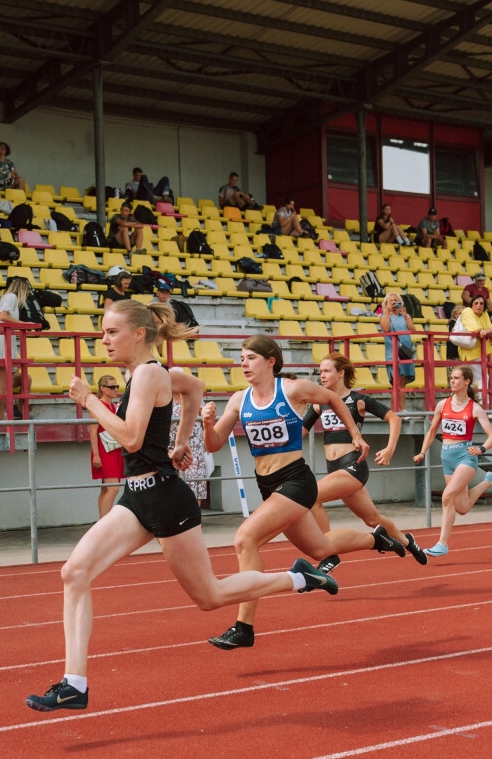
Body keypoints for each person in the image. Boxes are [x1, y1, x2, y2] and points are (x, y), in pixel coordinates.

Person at [26, 304, 339, 712]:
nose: (103, 339)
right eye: (103, 332)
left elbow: (132, 438)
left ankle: (298, 578)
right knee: (75, 572)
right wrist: (181, 439)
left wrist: (89, 401)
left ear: (139, 334)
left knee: (210, 596)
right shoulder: (146, 375)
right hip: (137, 496)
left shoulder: (149, 374)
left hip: (166, 498)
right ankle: (74, 683)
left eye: (112, 331)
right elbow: (193, 387)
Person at [199, 335, 404, 650]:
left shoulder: (292, 389)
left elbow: (334, 399)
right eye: (241, 358)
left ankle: (244, 627)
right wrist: (206, 425)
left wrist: (356, 436)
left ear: (271, 361)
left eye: (250, 357)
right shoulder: (240, 400)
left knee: (245, 539)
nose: (243, 363)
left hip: (295, 480)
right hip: (268, 485)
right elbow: (214, 444)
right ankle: (377, 539)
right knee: (321, 548)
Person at [304, 353, 428, 564]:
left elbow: (394, 419)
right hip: (334, 469)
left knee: (311, 498)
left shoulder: (358, 400)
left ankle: (328, 553)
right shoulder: (320, 403)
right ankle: (407, 541)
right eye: (320, 372)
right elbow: (301, 432)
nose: (321, 376)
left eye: (326, 371)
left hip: (353, 466)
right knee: (372, 519)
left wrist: (389, 448)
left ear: (341, 373)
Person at [413, 365, 492, 556]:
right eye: (451, 378)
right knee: (461, 507)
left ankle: (442, 544)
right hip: (447, 457)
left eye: (456, 378)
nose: (452, 381)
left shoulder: (475, 408)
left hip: (466, 457)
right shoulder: (442, 405)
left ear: (467, 381)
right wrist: (422, 452)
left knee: (447, 497)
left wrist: (481, 448)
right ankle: (489, 480)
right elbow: (431, 431)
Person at [0, 275, 32, 421]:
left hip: (4, 341)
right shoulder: (11, 297)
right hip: (1, 342)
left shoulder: (8, 298)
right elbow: (3, 316)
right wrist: (23, 323)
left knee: (24, 379)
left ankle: (16, 412)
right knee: (1, 387)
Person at [88, 374, 124, 517]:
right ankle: (105, 522)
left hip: (113, 447)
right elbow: (93, 430)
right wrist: (96, 455)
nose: (116, 389)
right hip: (104, 449)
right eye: (112, 387)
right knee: (113, 488)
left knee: (107, 489)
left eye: (117, 386)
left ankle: (102, 521)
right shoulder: (98, 405)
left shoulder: (113, 405)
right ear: (102, 388)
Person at [450, 293, 492, 373]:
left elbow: (491, 330)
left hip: (481, 351)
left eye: (481, 303)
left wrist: (485, 331)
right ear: (472, 304)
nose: (479, 305)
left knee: (472, 379)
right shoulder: (467, 311)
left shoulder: (485, 314)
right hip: (470, 351)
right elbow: (476, 329)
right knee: (483, 378)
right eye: (476, 303)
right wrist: (483, 331)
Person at [379, 292, 416, 386]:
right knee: (396, 384)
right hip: (393, 352)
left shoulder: (405, 316)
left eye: (395, 300)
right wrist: (387, 312)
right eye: (390, 301)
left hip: (405, 352)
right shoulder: (384, 316)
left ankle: (401, 401)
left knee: (402, 384)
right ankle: (396, 401)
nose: (393, 302)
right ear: (386, 304)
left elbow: (413, 330)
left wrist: (406, 317)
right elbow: (386, 328)